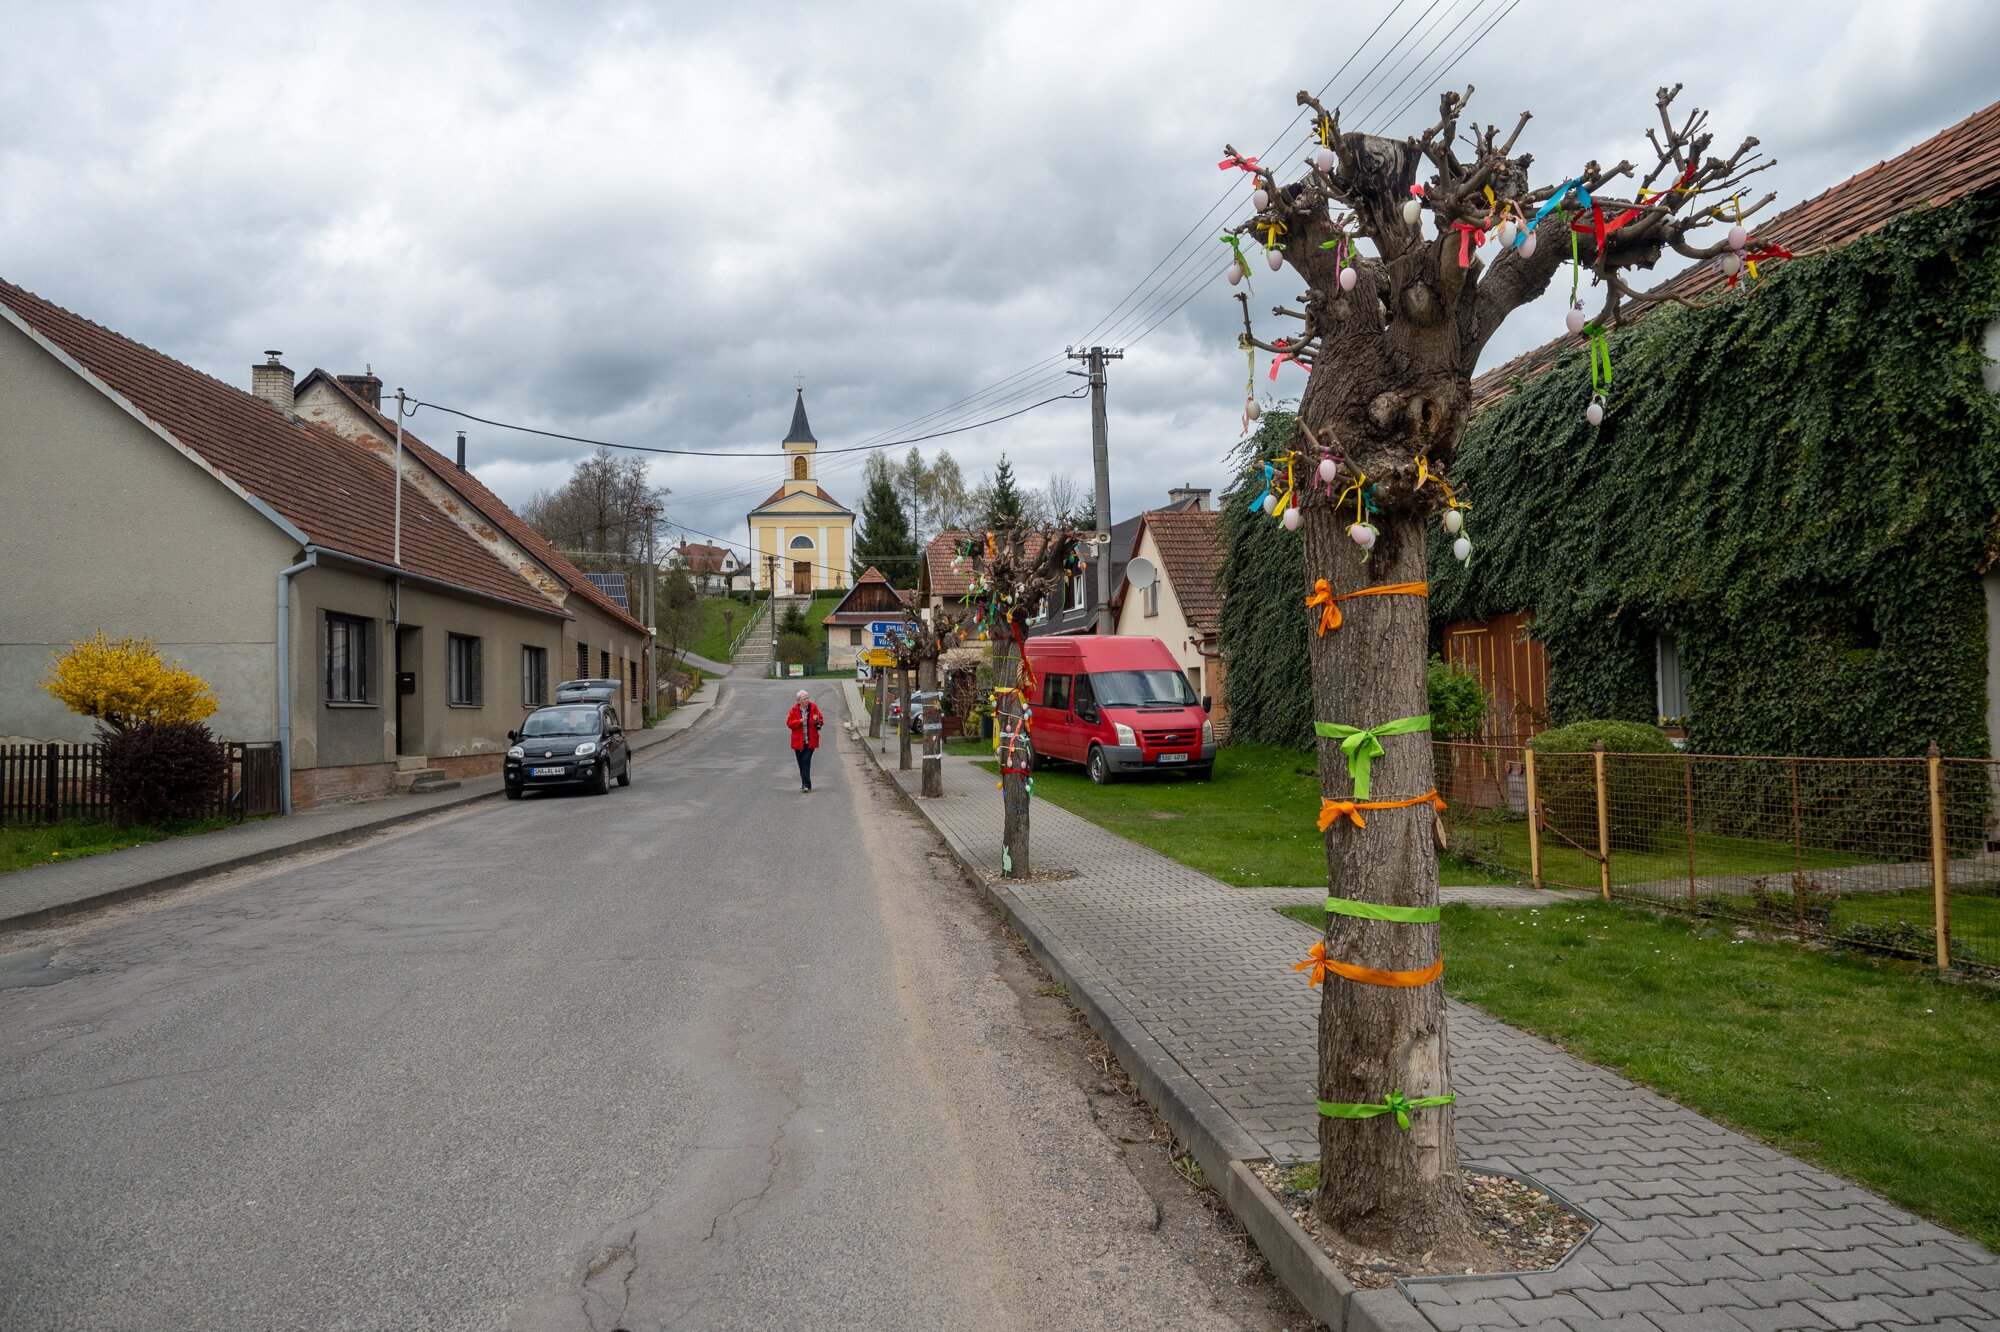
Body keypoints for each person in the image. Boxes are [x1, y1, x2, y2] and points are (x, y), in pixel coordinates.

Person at [787, 689, 824, 792]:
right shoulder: (794, 710)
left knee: (805, 761)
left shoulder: (813, 707)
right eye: (804, 699)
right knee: (801, 763)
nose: (807, 700)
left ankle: (805, 785)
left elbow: (821, 721)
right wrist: (799, 721)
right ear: (799, 701)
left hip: (810, 741)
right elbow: (789, 724)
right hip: (798, 742)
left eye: (807, 698)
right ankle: (806, 783)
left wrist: (817, 719)